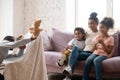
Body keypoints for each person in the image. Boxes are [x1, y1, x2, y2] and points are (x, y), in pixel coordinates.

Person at [62, 12, 100, 80]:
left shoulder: (100, 33)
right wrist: (69, 46)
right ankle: (69, 72)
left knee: (73, 56)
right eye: (89, 23)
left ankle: (68, 77)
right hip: (82, 52)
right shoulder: (87, 33)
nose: (90, 25)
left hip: (91, 53)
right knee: (75, 49)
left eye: (92, 23)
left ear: (97, 24)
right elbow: (79, 38)